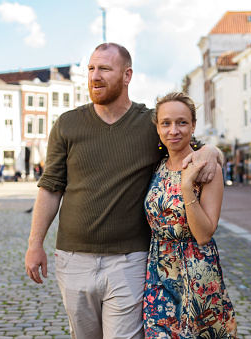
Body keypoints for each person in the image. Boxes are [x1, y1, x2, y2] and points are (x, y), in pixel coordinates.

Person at [24, 43, 223, 339]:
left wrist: (212, 149)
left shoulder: (150, 125)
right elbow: (51, 187)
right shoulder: (67, 124)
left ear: (127, 75)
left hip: (129, 260)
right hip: (72, 257)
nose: (94, 76)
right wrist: (34, 243)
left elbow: (187, 145)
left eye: (104, 68)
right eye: (91, 68)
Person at [143, 92, 237, 338]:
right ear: (158, 128)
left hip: (197, 272)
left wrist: (187, 187)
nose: (173, 130)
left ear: (193, 126)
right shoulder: (157, 167)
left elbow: (204, 234)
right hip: (159, 273)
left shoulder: (208, 169)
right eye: (166, 123)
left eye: (182, 122)